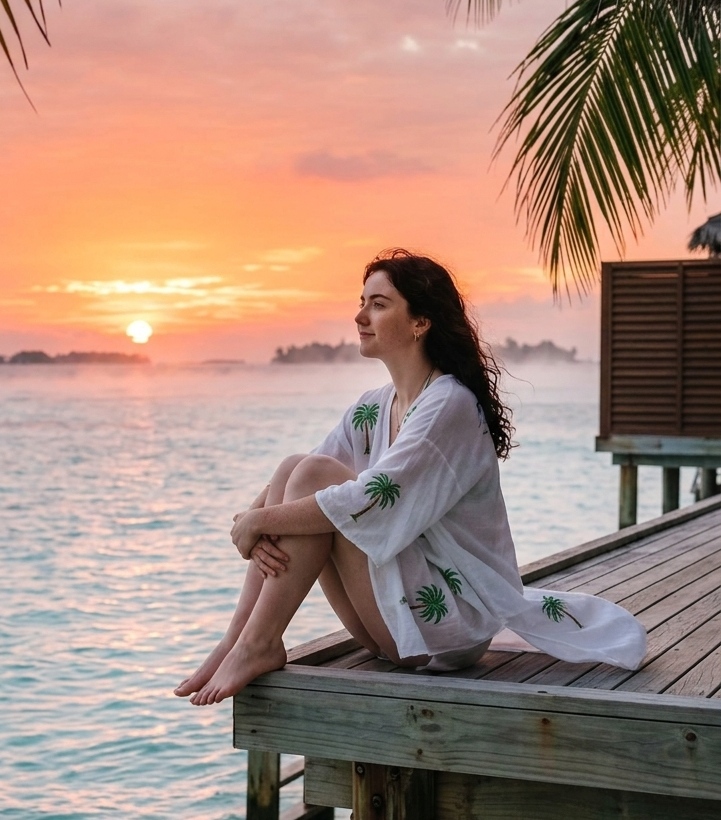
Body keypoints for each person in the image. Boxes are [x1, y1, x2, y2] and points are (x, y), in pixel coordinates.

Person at [175, 249, 646, 707]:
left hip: (446, 630)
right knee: (295, 468)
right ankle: (239, 640)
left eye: (378, 305)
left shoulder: (449, 404)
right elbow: (303, 473)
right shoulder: (375, 405)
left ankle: (257, 643)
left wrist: (258, 524)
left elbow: (376, 503)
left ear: (421, 322)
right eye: (361, 303)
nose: (361, 316)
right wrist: (255, 517)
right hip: (392, 623)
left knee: (315, 478)